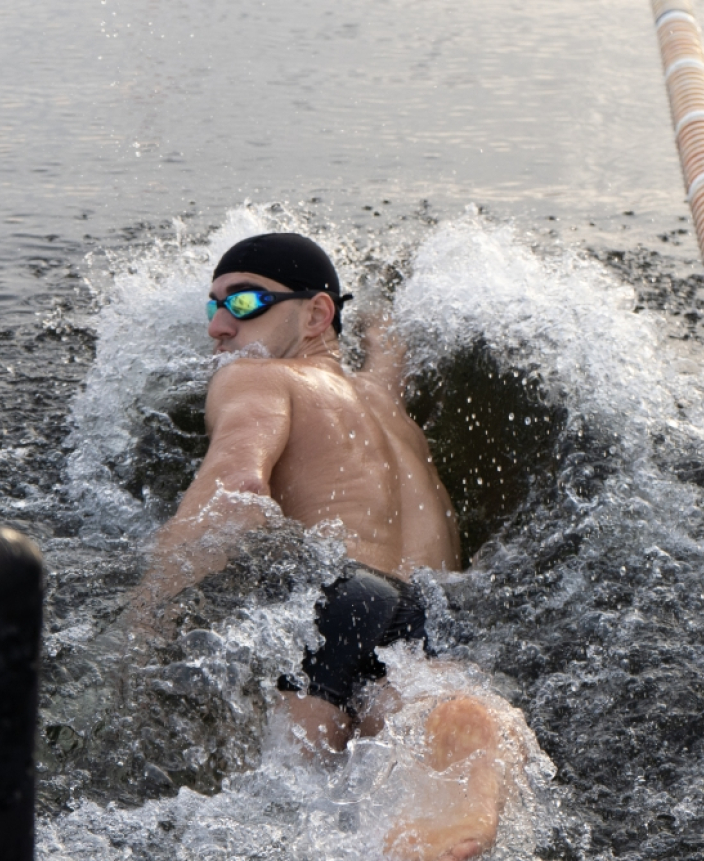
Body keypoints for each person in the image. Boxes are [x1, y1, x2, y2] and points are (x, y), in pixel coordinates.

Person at [123, 233, 523, 861]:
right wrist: (388, 288)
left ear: (315, 315)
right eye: (212, 308)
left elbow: (236, 484)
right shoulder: (387, 400)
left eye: (246, 302)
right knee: (405, 719)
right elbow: (391, 344)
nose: (220, 329)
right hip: (433, 606)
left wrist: (143, 622)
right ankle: (453, 748)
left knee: (291, 809)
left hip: (336, 596)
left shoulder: (258, 378)